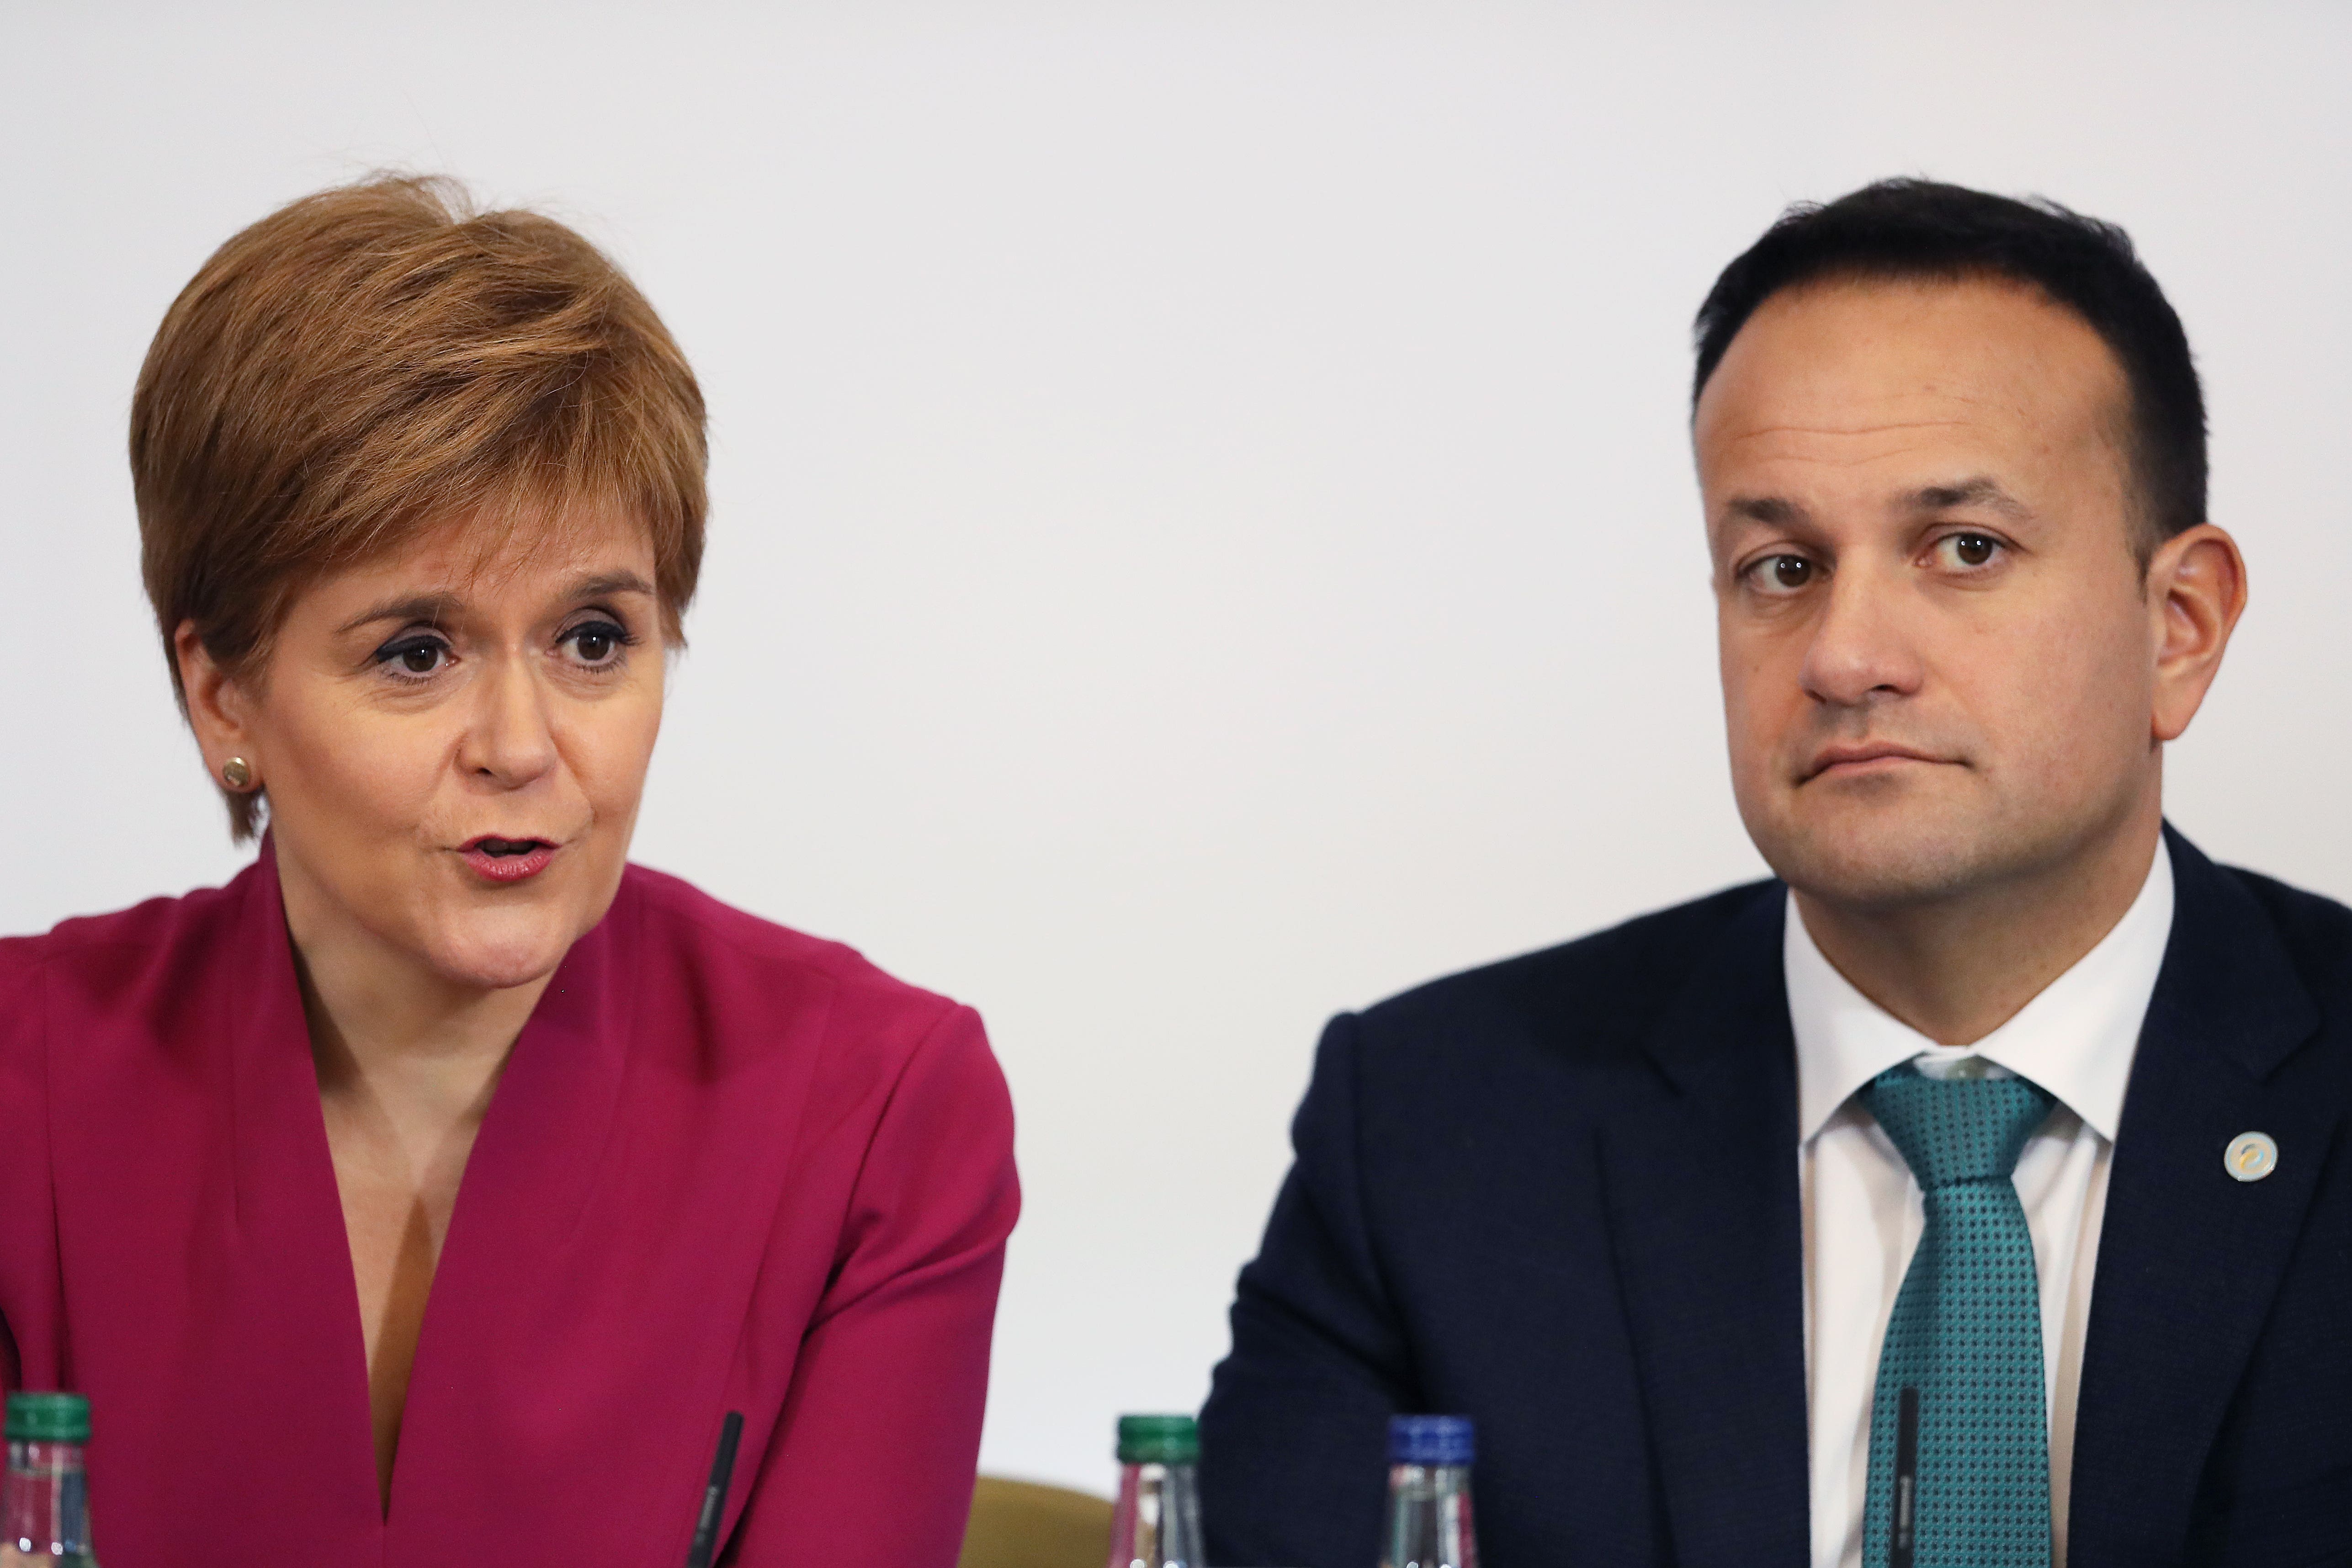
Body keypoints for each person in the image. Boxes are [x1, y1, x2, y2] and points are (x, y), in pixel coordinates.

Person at [1199, 180, 2352, 1567]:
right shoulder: (1437, 1130)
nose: (1842, 655)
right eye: (1781, 566)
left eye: (1963, 549)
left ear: (2177, 627)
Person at [0, 176, 1019, 1567]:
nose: (523, 746)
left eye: (593, 638)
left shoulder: (880, 1112)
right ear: (224, 695)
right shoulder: (22, 1085)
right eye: (417, 653)